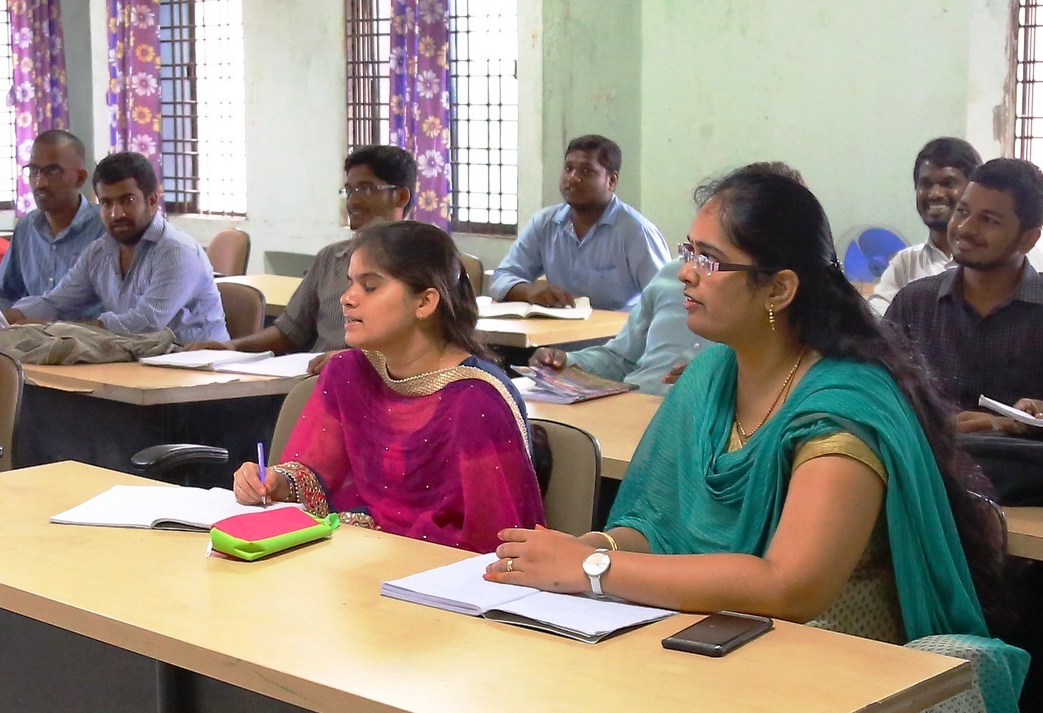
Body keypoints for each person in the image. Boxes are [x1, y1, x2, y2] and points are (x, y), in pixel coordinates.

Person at [488, 164, 1017, 680]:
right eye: (689, 251)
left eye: (711, 260)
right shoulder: (714, 374)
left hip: (832, 666)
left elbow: (789, 587)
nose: (687, 272)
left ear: (779, 290)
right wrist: (591, 549)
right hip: (714, 636)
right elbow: (657, 528)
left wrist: (591, 572)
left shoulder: (842, 409)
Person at [232, 221, 542, 553]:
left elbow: (493, 539)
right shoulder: (347, 372)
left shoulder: (477, 401)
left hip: (434, 581)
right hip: (350, 564)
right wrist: (275, 483)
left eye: (370, 287)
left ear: (424, 303)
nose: (347, 298)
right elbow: (316, 475)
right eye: (350, 283)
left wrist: (373, 534)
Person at [885, 157, 1043, 429]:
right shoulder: (914, 302)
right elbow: (876, 389)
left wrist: (1020, 423)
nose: (966, 228)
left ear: (1028, 239)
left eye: (989, 220)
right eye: (963, 212)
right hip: (928, 467)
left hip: (1026, 468)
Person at [4, 151, 228, 344]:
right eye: (106, 203)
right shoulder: (98, 252)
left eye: (127, 201)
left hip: (201, 377)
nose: (116, 214)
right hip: (139, 367)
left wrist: (57, 330)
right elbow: (56, 303)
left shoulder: (176, 251)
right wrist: (5, 319)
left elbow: (145, 325)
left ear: (152, 201)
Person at [233, 144, 412, 355]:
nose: (353, 201)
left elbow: (423, 346)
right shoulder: (330, 258)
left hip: (377, 383)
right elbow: (290, 332)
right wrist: (232, 348)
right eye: (349, 190)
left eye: (365, 189)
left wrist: (352, 361)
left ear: (400, 197)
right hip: (313, 379)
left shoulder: (424, 261)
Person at [489, 134, 670, 310]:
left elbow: (667, 299)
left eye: (586, 171)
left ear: (612, 181)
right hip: (557, 336)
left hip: (617, 338)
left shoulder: (635, 232)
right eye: (568, 168)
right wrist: (530, 291)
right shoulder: (546, 223)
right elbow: (501, 277)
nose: (572, 178)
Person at [0, 129, 102, 321]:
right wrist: (4, 320)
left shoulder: (104, 228)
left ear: (80, 178)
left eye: (53, 171)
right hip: (30, 340)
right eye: (33, 171)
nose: (40, 182)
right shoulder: (27, 227)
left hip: (88, 342)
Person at [533, 274, 702, 393]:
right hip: (629, 406)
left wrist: (721, 380)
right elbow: (620, 359)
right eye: (689, 250)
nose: (686, 270)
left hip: (691, 424)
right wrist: (567, 362)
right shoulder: (669, 277)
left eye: (707, 255)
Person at [867, 136, 980, 309]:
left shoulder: (996, 260)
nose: (935, 194)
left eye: (948, 183)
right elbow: (878, 316)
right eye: (925, 184)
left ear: (973, 190)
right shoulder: (907, 263)